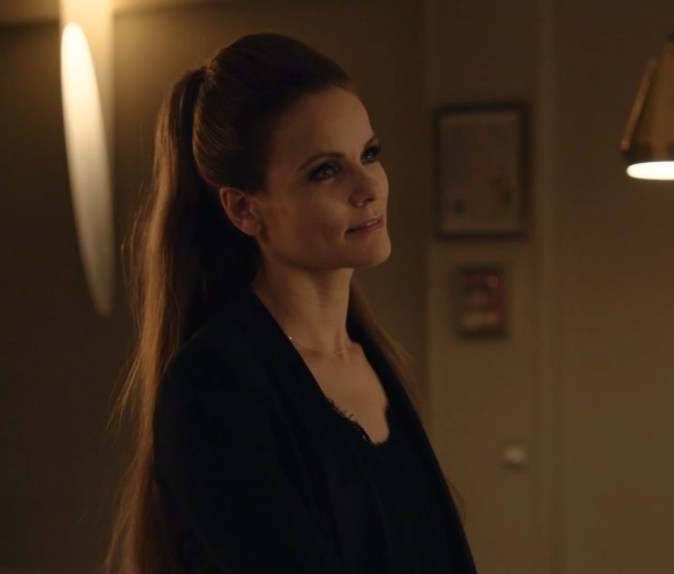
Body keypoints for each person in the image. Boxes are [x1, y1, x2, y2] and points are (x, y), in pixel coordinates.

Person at [108, 33, 477, 574]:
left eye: (369, 154)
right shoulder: (213, 385)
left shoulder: (374, 359)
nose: (368, 187)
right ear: (244, 210)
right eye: (326, 170)